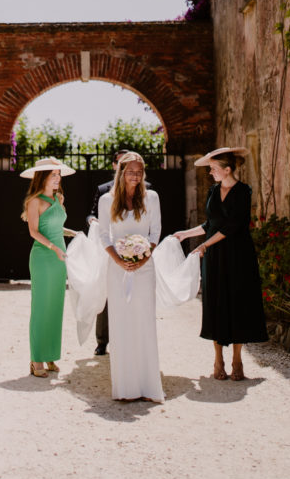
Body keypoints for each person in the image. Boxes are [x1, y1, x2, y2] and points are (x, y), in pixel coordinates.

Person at [174, 147, 268, 381]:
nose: (210, 173)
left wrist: (205, 245)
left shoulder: (243, 192)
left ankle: (237, 360)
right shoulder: (213, 191)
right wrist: (186, 234)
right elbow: (211, 225)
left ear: (227, 170)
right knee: (215, 303)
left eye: (213, 169)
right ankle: (218, 360)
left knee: (237, 303)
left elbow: (233, 225)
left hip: (238, 254)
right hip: (215, 257)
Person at [98, 152, 164, 402]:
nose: (135, 176)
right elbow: (104, 235)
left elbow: (155, 232)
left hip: (144, 270)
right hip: (117, 269)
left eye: (139, 171)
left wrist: (142, 259)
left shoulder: (152, 198)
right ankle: (126, 388)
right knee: (121, 324)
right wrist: (120, 260)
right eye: (131, 171)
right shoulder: (107, 200)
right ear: (121, 172)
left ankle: (148, 387)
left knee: (144, 323)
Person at [21, 157, 75, 378]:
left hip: (59, 257)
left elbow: (56, 227)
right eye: (53, 174)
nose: (57, 178)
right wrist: (53, 247)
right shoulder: (35, 201)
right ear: (42, 177)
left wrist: (73, 234)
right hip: (43, 257)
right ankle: (36, 359)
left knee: (55, 307)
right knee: (41, 307)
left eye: (58, 174)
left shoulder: (59, 198)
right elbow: (34, 232)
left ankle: (50, 354)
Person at [86, 149, 131, 356]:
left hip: (132, 246)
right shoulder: (103, 189)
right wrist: (91, 220)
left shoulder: (146, 188)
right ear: (114, 166)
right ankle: (102, 341)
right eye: (120, 163)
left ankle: (128, 339)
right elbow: (92, 213)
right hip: (109, 248)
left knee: (131, 294)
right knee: (106, 293)